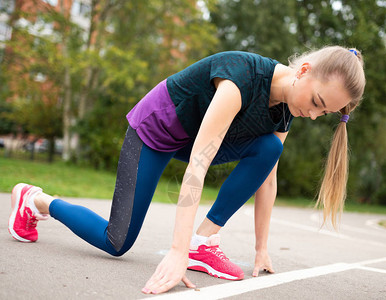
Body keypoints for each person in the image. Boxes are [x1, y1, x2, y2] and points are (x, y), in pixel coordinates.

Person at [8, 46, 365, 295]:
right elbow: (198, 165)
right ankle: (35, 200)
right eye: (317, 103)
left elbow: (267, 177)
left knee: (270, 148)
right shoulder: (241, 78)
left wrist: (261, 248)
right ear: (303, 72)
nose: (314, 115)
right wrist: (176, 253)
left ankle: (204, 241)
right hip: (155, 131)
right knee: (115, 241)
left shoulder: (285, 110)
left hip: (193, 137)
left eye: (324, 113)